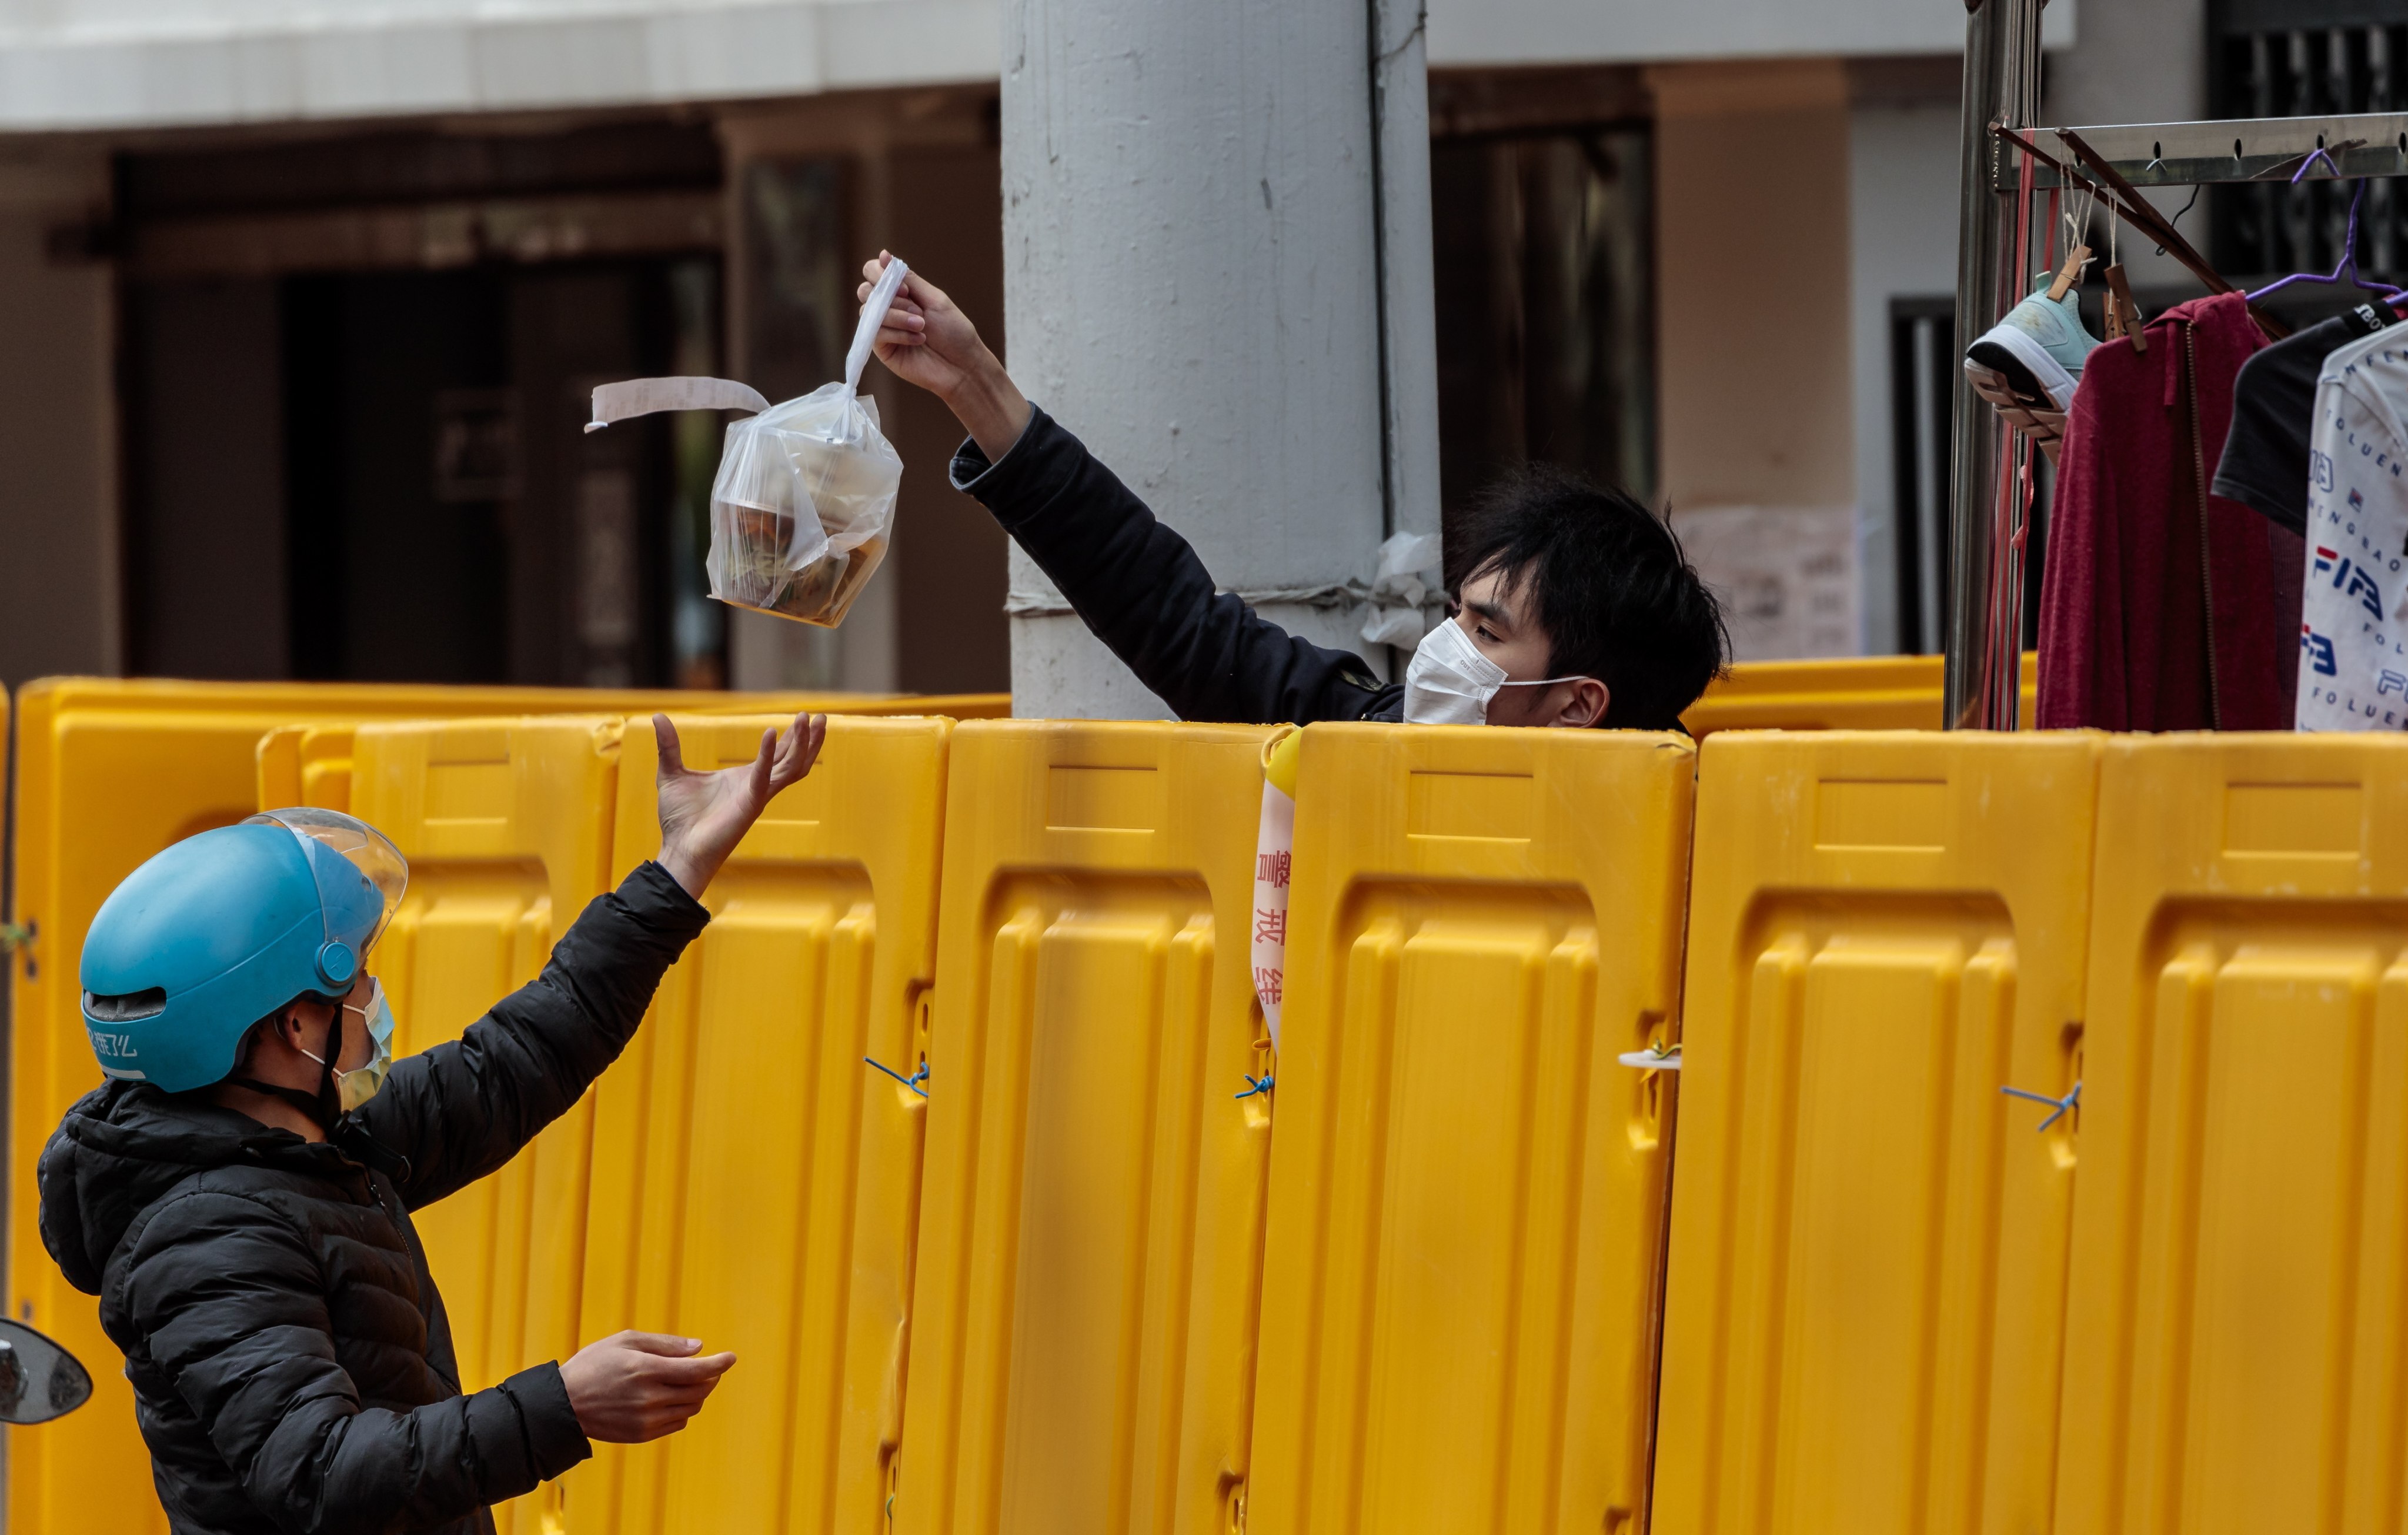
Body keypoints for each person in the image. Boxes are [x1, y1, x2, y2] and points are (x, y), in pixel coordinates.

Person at [39, 712, 827, 1535]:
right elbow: (320, 1471)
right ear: (293, 1027)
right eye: (356, 980)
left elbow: (517, 1060)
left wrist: (680, 866)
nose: (371, 1000)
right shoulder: (207, 1236)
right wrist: (565, 1404)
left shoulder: (308, 1141)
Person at [856, 252, 1727, 729]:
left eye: (1489, 631)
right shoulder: (1370, 739)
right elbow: (1175, 618)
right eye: (1458, 615)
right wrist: (973, 382)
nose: (1444, 647)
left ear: (1580, 702)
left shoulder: (1677, 873)